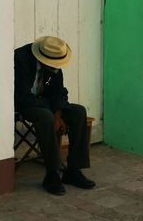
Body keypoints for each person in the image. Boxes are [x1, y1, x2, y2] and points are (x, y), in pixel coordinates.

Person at [14, 36, 95, 195]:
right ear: (42, 57)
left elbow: (59, 91)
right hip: (25, 103)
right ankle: (52, 175)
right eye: (52, 65)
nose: (56, 68)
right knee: (46, 117)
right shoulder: (20, 59)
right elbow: (22, 95)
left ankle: (73, 171)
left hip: (47, 105)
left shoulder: (54, 59)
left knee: (79, 112)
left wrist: (59, 114)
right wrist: (53, 114)